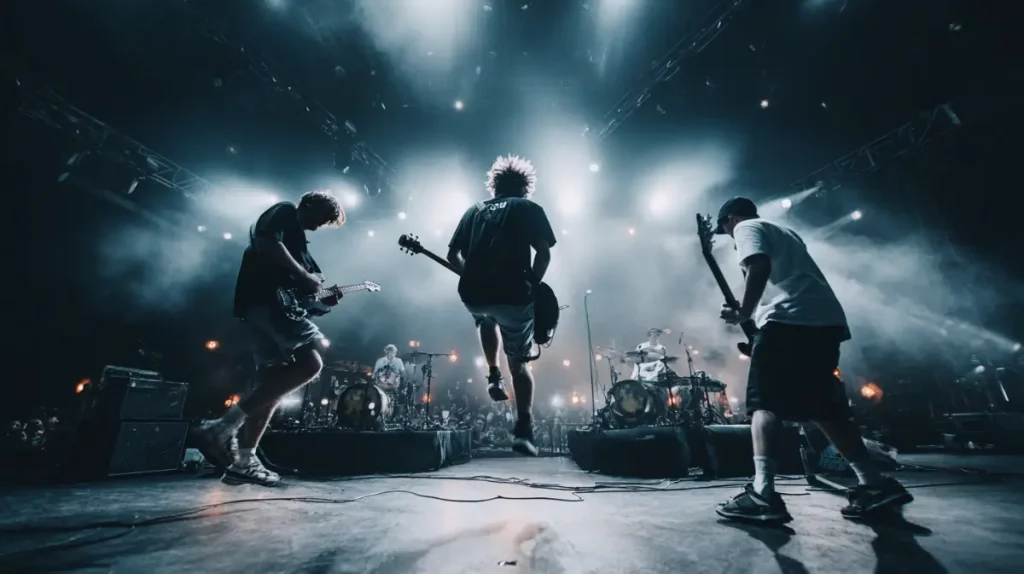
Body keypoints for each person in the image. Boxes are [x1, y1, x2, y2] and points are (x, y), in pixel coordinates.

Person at [713, 197, 912, 522]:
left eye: (725, 229)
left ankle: (763, 494)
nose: (729, 237)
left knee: (765, 404)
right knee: (824, 409)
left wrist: (744, 312)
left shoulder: (747, 227)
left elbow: (759, 266)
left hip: (789, 322)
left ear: (731, 218)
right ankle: (873, 484)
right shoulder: (783, 232)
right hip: (823, 322)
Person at [196, 190, 345, 486]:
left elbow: (301, 298)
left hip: (259, 309)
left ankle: (244, 460)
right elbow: (265, 240)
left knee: (272, 383)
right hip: (266, 303)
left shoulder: (300, 246)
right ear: (310, 204)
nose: (320, 226)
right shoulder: (285, 210)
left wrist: (322, 300)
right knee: (311, 363)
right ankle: (222, 427)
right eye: (323, 217)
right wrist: (304, 275)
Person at [446, 155, 556, 456]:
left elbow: (453, 256)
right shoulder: (528, 207)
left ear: (494, 186)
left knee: (485, 316)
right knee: (519, 364)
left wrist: (471, 276)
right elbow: (544, 253)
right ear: (524, 187)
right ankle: (523, 429)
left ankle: (493, 374)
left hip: (473, 294)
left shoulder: (473, 210)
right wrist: (532, 285)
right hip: (513, 294)